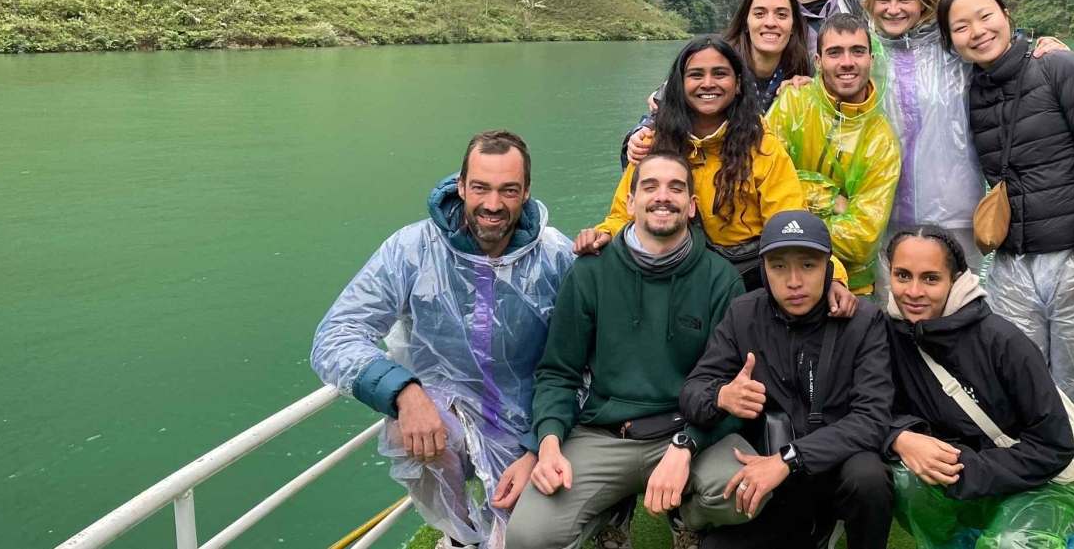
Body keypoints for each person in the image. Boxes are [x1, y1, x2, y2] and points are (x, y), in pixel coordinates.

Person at [310, 131, 574, 549]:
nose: (492, 204)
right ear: (461, 186)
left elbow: (586, 361)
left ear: (526, 192)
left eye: (508, 190)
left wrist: (537, 446)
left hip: (534, 427)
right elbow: (336, 335)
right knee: (404, 432)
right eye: (481, 188)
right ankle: (459, 535)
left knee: (528, 539)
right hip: (445, 420)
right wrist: (403, 392)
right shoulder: (411, 250)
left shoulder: (556, 256)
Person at [503, 152, 759, 549]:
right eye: (650, 186)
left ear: (691, 205)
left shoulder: (720, 279)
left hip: (690, 430)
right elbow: (558, 372)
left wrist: (686, 444)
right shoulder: (590, 271)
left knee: (745, 491)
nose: (663, 196)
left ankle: (687, 516)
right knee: (527, 538)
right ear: (630, 201)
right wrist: (548, 444)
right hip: (604, 434)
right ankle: (611, 509)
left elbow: (730, 392)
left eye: (676, 188)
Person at [939, 0, 1074, 487]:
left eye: (985, 16)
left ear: (1007, 15)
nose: (977, 31)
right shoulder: (973, 89)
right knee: (1017, 388)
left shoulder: (1060, 67)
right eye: (960, 26)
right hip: (1015, 263)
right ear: (950, 41)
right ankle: (1033, 501)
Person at [578, 36, 856, 310]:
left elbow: (790, 222)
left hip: (746, 278)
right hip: (674, 271)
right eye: (696, 74)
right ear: (680, 85)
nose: (708, 83)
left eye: (720, 74)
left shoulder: (762, 147)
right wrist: (603, 233)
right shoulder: (656, 144)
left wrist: (834, 277)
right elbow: (623, 215)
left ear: (738, 84)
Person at [680, 211, 895, 549]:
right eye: (779, 266)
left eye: (808, 265)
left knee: (868, 477)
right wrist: (721, 396)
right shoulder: (743, 314)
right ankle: (811, 532)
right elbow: (693, 390)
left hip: (835, 465)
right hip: (771, 479)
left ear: (828, 267)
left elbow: (872, 419)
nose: (794, 281)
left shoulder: (864, 321)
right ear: (764, 268)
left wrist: (790, 457)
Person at [882, 226, 1074, 549]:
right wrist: (900, 436)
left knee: (1009, 543)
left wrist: (963, 469)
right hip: (966, 478)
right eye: (902, 275)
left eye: (930, 278)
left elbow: (1055, 448)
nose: (913, 291)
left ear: (955, 280)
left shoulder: (1003, 342)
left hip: (1044, 484)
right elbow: (868, 405)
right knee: (904, 478)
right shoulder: (886, 336)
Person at [864, 0, 1066, 286]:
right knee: (893, 308)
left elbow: (1002, 58)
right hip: (881, 212)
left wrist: (1043, 53)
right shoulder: (866, 53)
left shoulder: (953, 48)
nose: (893, 9)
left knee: (958, 304)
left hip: (955, 212)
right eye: (883, 0)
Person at [766, 13, 901, 296]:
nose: (847, 62)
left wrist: (792, 221)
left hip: (852, 286)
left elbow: (861, 239)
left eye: (857, 51)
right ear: (818, 62)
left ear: (871, 60)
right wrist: (828, 197)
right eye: (835, 52)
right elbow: (761, 181)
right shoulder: (793, 104)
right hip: (780, 275)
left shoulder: (881, 140)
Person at [621, 0, 814, 169]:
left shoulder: (801, 72)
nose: (770, 23)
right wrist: (640, 134)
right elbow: (664, 111)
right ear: (745, 23)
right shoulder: (716, 64)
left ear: (793, 26)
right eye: (759, 14)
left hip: (772, 174)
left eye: (781, 15)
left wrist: (811, 92)